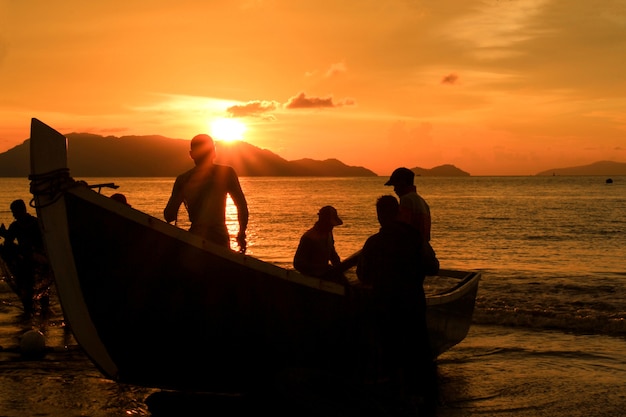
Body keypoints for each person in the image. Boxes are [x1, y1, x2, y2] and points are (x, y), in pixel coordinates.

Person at [356, 195, 439, 415]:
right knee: (417, 349)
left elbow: (363, 274)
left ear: (380, 216)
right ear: (398, 212)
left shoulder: (373, 243)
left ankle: (395, 397)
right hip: (412, 300)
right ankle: (421, 398)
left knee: (390, 350)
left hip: (384, 303)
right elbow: (433, 267)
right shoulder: (414, 238)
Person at [164, 134, 249, 253]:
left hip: (195, 240)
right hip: (220, 240)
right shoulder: (226, 173)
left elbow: (169, 215)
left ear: (192, 154)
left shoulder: (183, 179)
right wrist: (241, 235)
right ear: (214, 153)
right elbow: (242, 207)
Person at [0, 199, 51, 317]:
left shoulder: (36, 223)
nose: (13, 215)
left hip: (39, 263)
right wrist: (4, 235)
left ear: (23, 210)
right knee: (27, 293)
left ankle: (43, 315)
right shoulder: (15, 226)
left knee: (43, 291)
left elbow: (46, 241)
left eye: (15, 211)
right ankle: (29, 317)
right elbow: (8, 243)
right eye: (12, 212)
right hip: (25, 265)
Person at [293, 206, 343, 277]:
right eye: (329, 225)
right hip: (310, 279)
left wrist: (339, 268)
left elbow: (332, 254)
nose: (331, 227)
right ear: (323, 221)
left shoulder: (328, 234)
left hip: (324, 276)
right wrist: (321, 267)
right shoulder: (309, 237)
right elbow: (298, 264)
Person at [384, 167, 431, 241]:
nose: (394, 189)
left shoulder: (406, 200)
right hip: (421, 248)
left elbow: (403, 228)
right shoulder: (423, 202)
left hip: (411, 247)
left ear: (403, 183)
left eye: (396, 185)